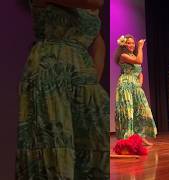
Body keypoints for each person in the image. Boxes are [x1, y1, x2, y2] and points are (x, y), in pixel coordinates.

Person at [16, 0, 109, 179]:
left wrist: (90, 82)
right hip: (51, 72)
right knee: (56, 152)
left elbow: (98, 41)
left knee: (94, 153)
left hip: (83, 76)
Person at [114, 34, 157, 146]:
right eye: (129, 43)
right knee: (129, 112)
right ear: (124, 44)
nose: (132, 45)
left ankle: (140, 137)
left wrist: (139, 82)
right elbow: (139, 61)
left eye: (133, 43)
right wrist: (140, 47)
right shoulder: (123, 55)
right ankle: (128, 138)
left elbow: (140, 72)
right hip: (126, 85)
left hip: (136, 86)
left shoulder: (132, 55)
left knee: (140, 111)